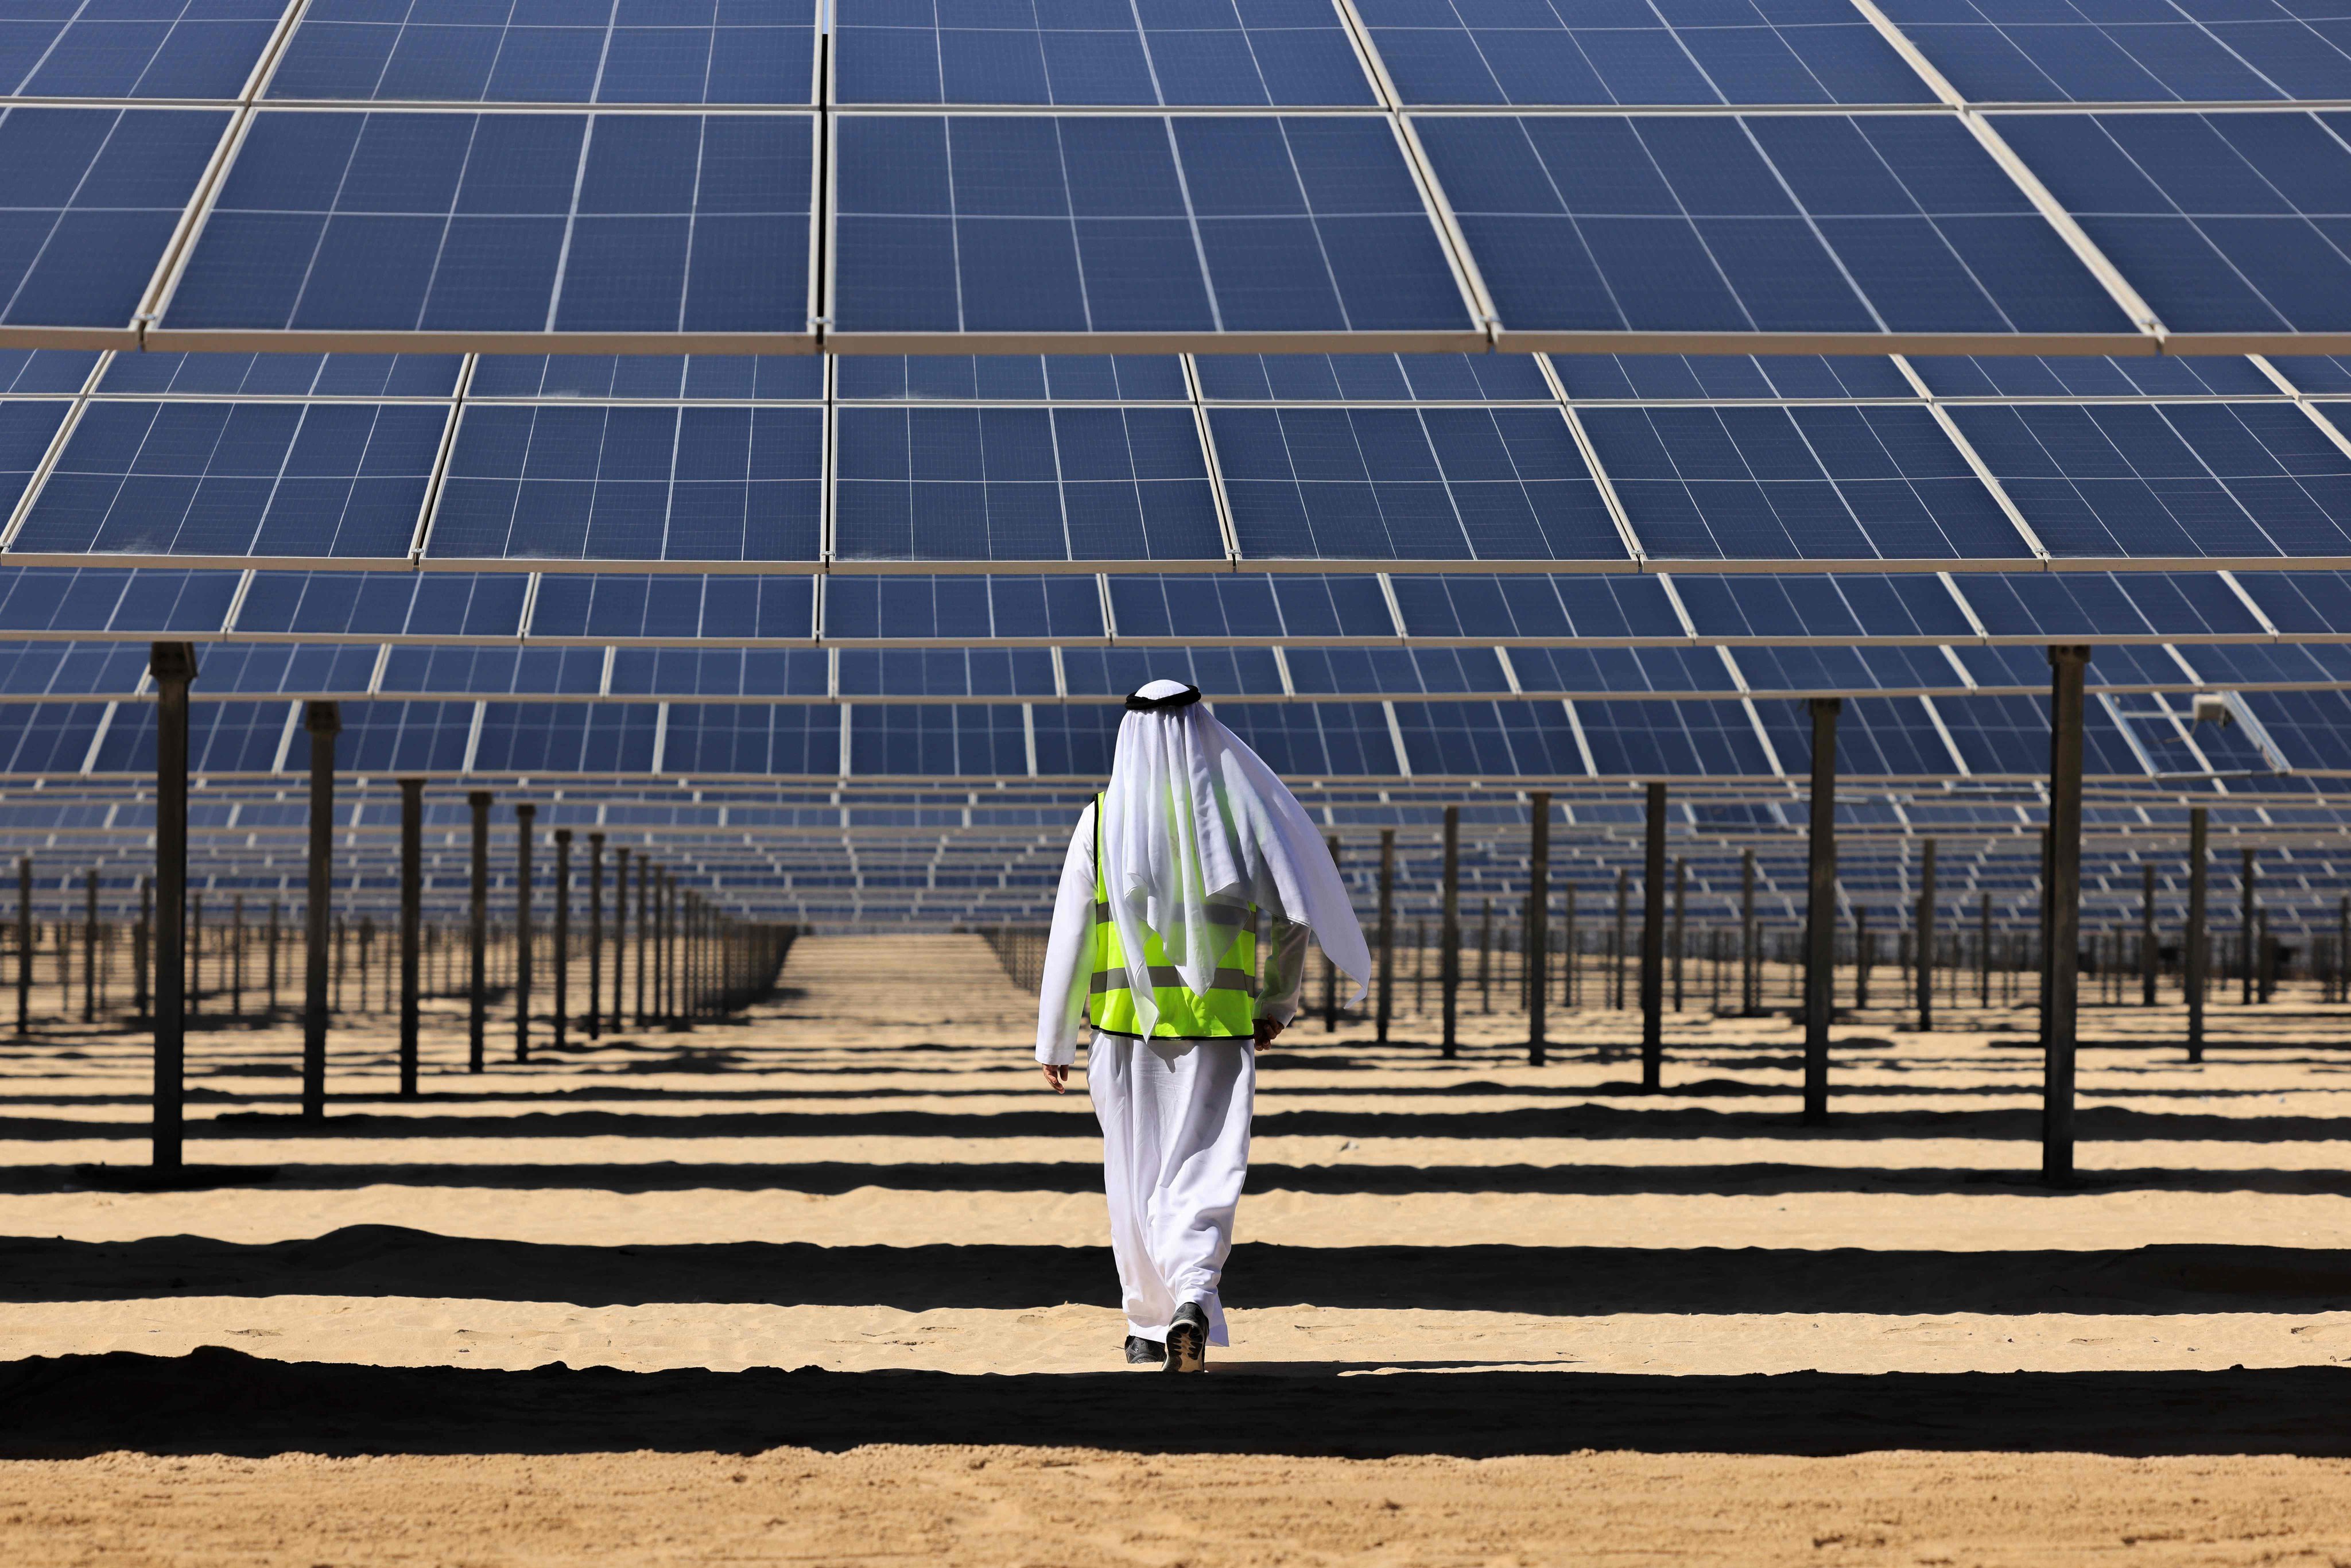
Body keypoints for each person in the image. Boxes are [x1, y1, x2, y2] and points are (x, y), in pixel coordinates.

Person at [1033, 680, 1370, 1373]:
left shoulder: (1099, 820)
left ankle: (1148, 1323)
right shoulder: (1242, 818)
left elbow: (1069, 934)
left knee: (1135, 1174)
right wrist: (1275, 1003)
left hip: (1125, 1032)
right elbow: (1292, 915)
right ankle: (1193, 1293)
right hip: (1220, 1026)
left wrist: (1054, 1037)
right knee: (1207, 1167)